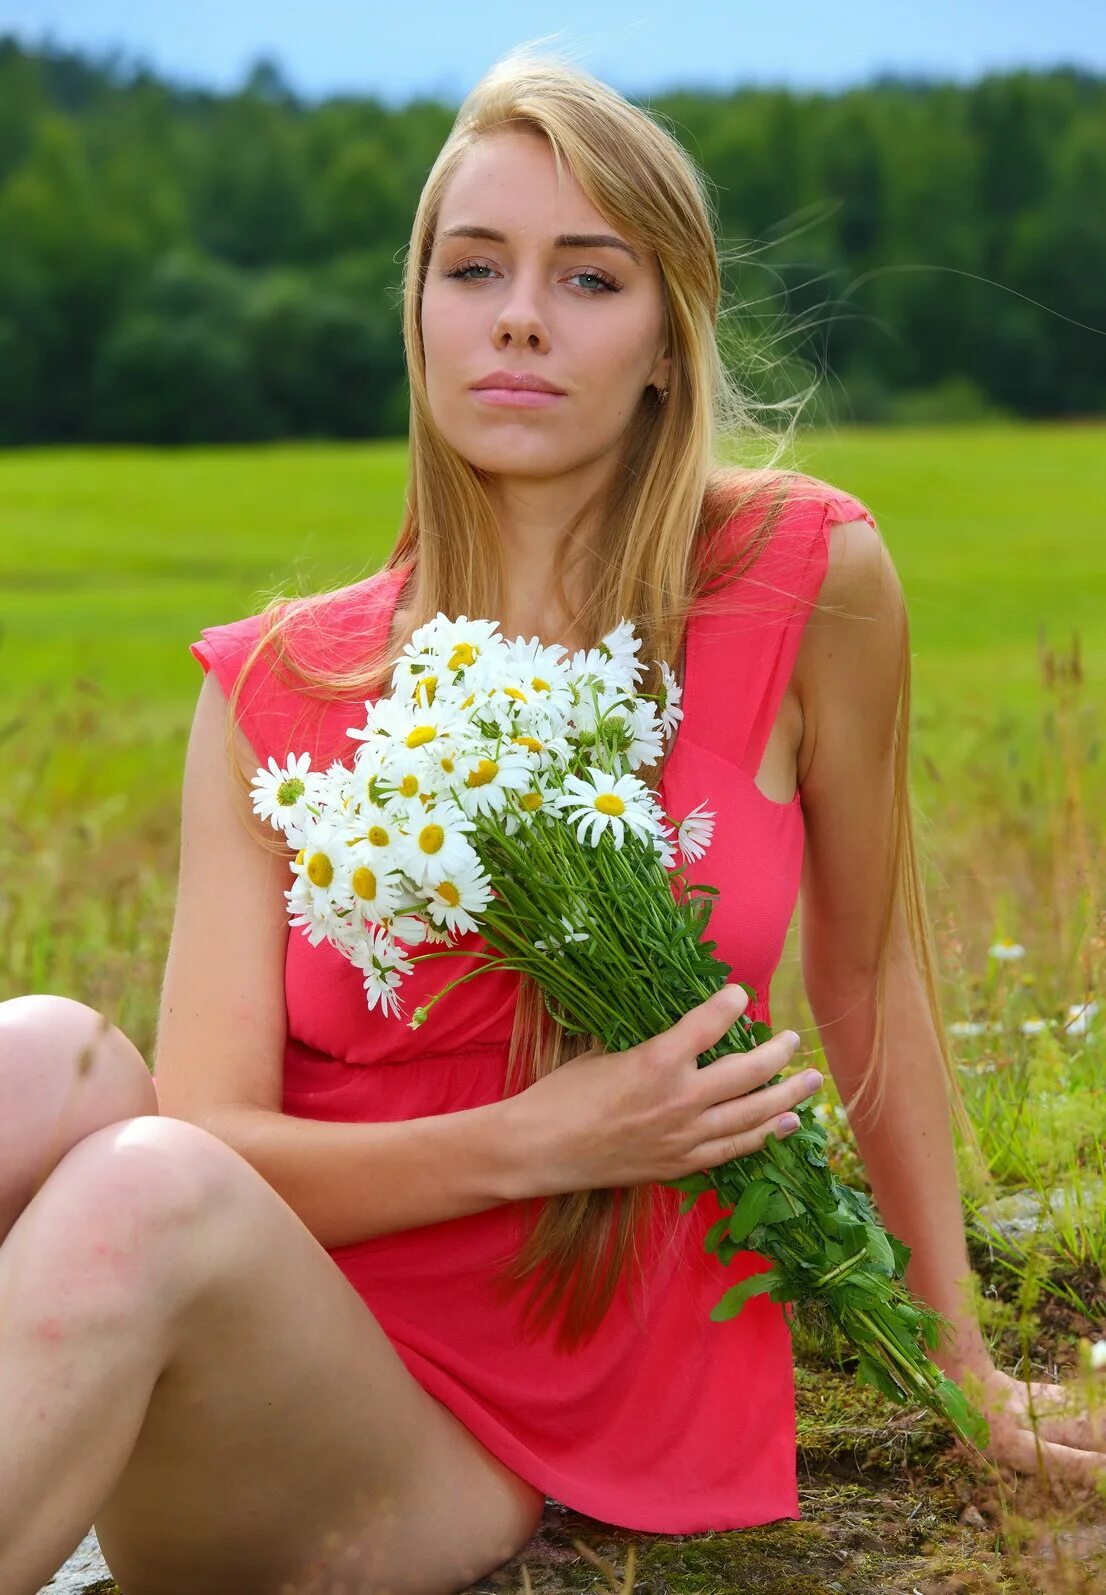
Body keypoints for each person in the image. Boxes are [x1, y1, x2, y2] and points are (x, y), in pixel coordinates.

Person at [2, 46, 1103, 1595]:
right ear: (421, 317)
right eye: (474, 269)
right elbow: (217, 1135)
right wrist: (534, 1140)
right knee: (33, 1051)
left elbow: (869, 986)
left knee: (139, 1179)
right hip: (279, 1357)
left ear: (667, 341)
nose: (519, 315)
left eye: (589, 278)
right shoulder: (280, 677)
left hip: (496, 1430)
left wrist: (958, 1365)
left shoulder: (801, 574)